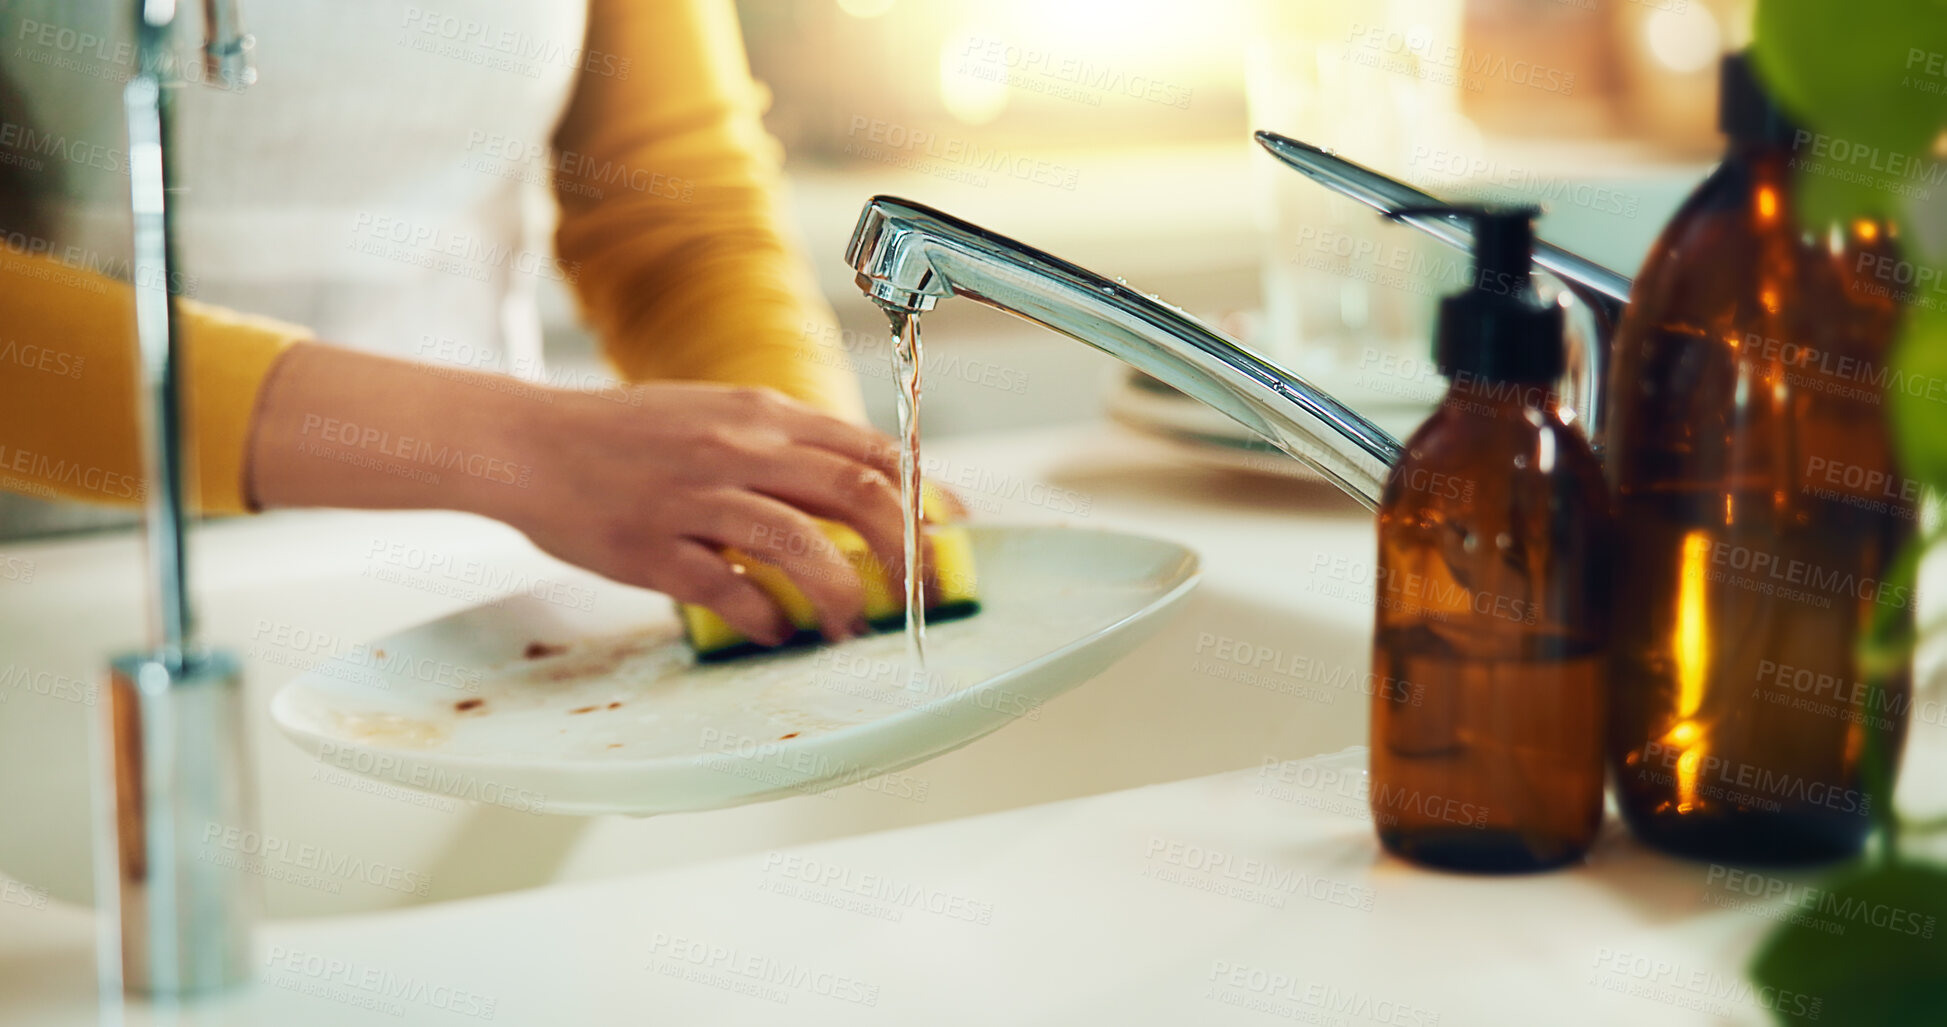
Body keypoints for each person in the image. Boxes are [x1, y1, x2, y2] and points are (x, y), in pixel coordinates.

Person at [0, 0, 918, 647]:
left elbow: (675, 220)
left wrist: (798, 495)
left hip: (475, 588)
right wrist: (517, 445)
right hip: (39, 594)